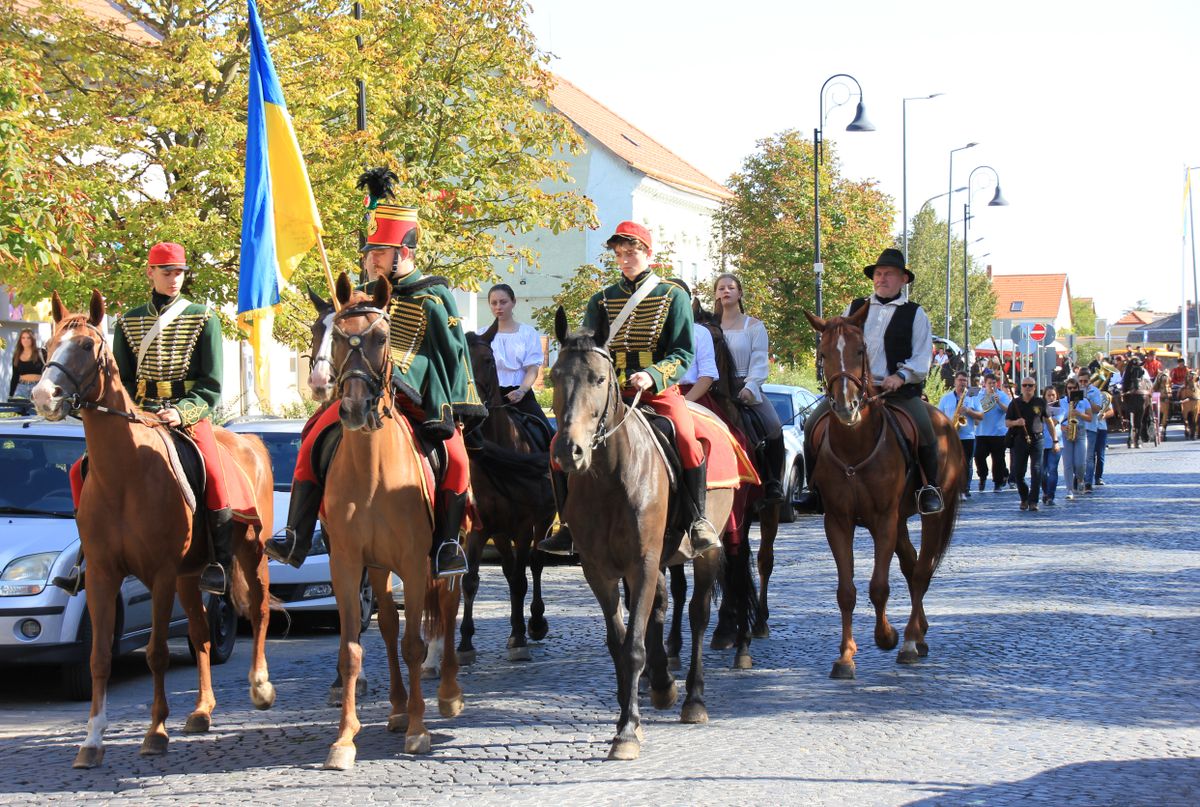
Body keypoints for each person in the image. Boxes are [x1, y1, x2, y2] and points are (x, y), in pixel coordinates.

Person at [267, 168, 486, 577]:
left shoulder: (434, 294)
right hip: (364, 392)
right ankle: (295, 534)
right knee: (311, 439)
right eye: (369, 253)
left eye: (379, 253)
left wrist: (419, 383)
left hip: (419, 397)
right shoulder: (363, 298)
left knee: (456, 459)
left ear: (404, 252)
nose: (371, 259)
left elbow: (450, 352)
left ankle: (447, 546)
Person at [54, 242, 233, 595]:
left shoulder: (203, 318)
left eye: (180, 273)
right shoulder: (130, 322)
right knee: (81, 470)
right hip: (140, 415)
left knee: (214, 472)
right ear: (151, 273)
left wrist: (182, 411)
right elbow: (122, 381)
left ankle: (218, 561)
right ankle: (87, 558)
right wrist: (136, 413)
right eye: (167, 273)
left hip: (185, 414)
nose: (174, 280)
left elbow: (212, 385)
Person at [538, 221, 720, 556]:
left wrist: (652, 375)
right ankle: (567, 525)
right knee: (557, 447)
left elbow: (682, 351)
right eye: (619, 253)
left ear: (648, 253)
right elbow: (591, 349)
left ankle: (697, 521)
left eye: (631, 252)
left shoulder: (672, 295)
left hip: (656, 391)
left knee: (687, 440)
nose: (624, 259)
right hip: (609, 393)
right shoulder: (601, 300)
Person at [794, 248, 943, 515]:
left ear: (903, 280)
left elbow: (922, 357)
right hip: (854, 390)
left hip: (896, 391)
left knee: (924, 426)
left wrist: (901, 376)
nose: (882, 279)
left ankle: (929, 487)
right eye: (878, 274)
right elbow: (837, 342)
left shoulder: (914, 314)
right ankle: (813, 489)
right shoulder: (854, 308)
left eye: (888, 274)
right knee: (813, 424)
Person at [713, 272, 786, 503]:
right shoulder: (708, 326)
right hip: (713, 388)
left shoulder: (754, 326)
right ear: (715, 294)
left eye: (731, 287)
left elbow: (759, 361)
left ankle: (773, 481)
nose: (726, 291)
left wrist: (751, 387)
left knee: (774, 426)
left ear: (740, 293)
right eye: (721, 288)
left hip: (745, 386)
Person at [479, 283, 553, 435]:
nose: (498, 306)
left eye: (503, 302)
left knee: (548, 434)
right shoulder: (481, 334)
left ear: (513, 302)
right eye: (494, 303)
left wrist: (521, 391)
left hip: (520, 395)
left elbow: (532, 368)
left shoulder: (527, 332)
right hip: (489, 397)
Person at [1005, 377, 1050, 512]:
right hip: (1020, 440)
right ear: (1021, 387)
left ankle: (1033, 501)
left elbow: (1049, 421)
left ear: (1035, 387)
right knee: (1018, 472)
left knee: (1036, 470)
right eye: (1025, 385)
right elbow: (1007, 422)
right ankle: (1024, 497)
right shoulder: (1015, 403)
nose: (1028, 388)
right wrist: (1016, 423)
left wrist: (1055, 440)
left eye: (1030, 385)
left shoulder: (1040, 402)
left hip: (1037, 439)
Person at [937, 371, 983, 501]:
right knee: (950, 463)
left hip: (967, 436)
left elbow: (981, 416)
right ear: (955, 381)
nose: (962, 383)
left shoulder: (972, 398)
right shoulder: (946, 398)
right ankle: (951, 488)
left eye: (964, 381)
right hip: (950, 435)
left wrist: (968, 411)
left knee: (966, 464)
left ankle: (964, 489)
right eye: (960, 380)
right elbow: (939, 415)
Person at [973, 371, 1012, 493]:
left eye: (994, 383)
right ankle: (982, 477)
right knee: (978, 456)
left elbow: (1009, 411)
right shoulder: (979, 396)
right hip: (981, 432)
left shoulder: (1003, 395)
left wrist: (998, 402)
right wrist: (987, 400)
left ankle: (997, 483)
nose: (992, 386)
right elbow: (976, 410)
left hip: (998, 433)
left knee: (998, 459)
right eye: (989, 383)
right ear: (984, 384)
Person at [1059, 377, 1092, 500]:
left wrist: (1078, 413)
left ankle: (1080, 479)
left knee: (1080, 463)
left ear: (1078, 389)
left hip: (1080, 431)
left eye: (1074, 388)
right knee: (1067, 463)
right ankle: (1069, 490)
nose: (1072, 390)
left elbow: (1090, 418)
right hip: (1066, 432)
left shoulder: (1084, 401)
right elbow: (1057, 419)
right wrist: (1062, 427)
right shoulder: (1062, 402)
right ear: (1066, 389)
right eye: (1069, 388)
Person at [1079, 368, 1107, 493]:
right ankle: (1078, 479)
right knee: (1078, 457)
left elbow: (1097, 409)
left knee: (1089, 457)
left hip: (1090, 427)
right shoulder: (1074, 390)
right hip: (1077, 426)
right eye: (1081, 381)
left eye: (1085, 381)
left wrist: (1086, 399)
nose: (1083, 383)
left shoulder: (1095, 391)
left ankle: (1088, 482)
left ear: (1089, 381)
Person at [1040, 385, 1063, 505]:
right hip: (1041, 442)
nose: (1051, 397)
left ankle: (1050, 495)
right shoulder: (1039, 407)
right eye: (1048, 395)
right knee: (1042, 472)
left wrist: (1045, 416)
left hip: (1056, 442)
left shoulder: (1060, 408)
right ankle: (1045, 491)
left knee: (1052, 469)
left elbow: (1054, 421)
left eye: (1053, 395)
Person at [8, 328, 46, 400]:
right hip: (21, 387)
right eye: (23, 338)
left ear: (33, 340)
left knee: (34, 411)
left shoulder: (41, 352)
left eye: (28, 338)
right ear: (20, 340)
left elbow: (48, 371)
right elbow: (15, 376)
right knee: (16, 410)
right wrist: (10, 395)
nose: (25, 340)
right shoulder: (17, 355)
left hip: (37, 386)